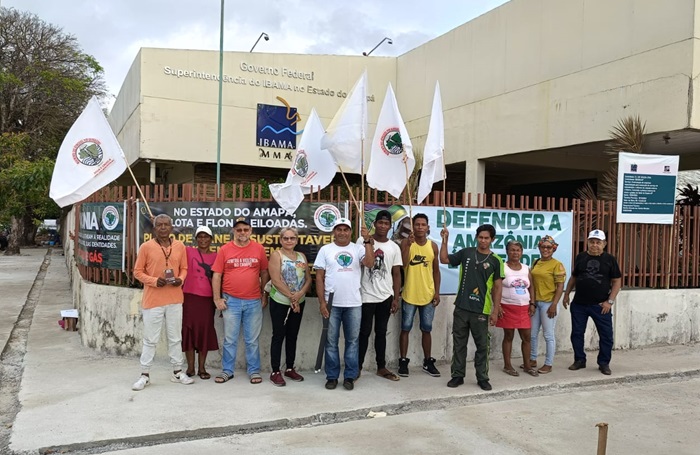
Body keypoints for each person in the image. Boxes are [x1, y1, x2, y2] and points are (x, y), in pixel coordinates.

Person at [132, 214, 194, 390]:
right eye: (160, 225)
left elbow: (184, 268)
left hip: (175, 299)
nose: (163, 228)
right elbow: (137, 272)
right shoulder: (146, 247)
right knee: (150, 339)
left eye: (167, 225)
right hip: (153, 301)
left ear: (172, 227)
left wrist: (180, 280)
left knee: (175, 338)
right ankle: (144, 375)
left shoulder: (180, 246)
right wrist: (153, 280)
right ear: (154, 228)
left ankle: (177, 371)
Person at [439, 223, 503, 390]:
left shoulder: (496, 261)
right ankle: (457, 376)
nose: (483, 240)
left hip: (481, 310)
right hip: (461, 307)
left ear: (492, 240)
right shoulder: (466, 253)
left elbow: (497, 288)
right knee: (459, 344)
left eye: (486, 238)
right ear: (476, 237)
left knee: (482, 346)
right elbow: (444, 259)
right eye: (480, 237)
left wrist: (495, 311)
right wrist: (444, 241)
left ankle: (482, 377)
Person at [314, 217, 374, 391]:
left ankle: (350, 376)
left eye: (345, 229)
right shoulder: (325, 250)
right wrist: (322, 302)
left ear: (350, 232)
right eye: (338, 229)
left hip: (354, 303)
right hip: (332, 303)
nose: (342, 232)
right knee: (330, 342)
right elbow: (319, 277)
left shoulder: (358, 248)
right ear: (334, 232)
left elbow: (369, 263)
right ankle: (332, 376)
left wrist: (368, 241)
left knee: (352, 341)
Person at [212, 216, 269, 384]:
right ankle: (227, 371)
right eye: (239, 230)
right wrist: (217, 298)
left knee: (252, 340)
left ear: (251, 231)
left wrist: (264, 294)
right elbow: (217, 275)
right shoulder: (224, 250)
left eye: (245, 229)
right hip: (231, 301)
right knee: (230, 339)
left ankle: (254, 371)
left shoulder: (258, 249)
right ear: (233, 231)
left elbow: (264, 272)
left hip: (253, 301)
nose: (242, 232)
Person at [563, 229, 621, 375]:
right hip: (579, 304)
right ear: (588, 242)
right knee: (576, 333)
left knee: (606, 335)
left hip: (601, 305)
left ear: (604, 244)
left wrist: (610, 301)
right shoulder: (580, 257)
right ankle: (579, 360)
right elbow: (574, 277)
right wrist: (566, 294)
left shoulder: (610, 259)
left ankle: (604, 363)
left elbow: (617, 282)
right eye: (592, 242)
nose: (594, 245)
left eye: (598, 242)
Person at [357, 210, 402, 382]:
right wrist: (367, 241)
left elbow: (396, 273)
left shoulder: (394, 247)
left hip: (385, 296)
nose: (383, 226)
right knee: (363, 332)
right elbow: (359, 264)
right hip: (366, 296)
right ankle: (358, 367)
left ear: (390, 226)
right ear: (374, 223)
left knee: (381, 332)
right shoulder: (362, 240)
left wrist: (396, 298)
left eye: (386, 223)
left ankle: (381, 367)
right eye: (380, 223)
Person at [265, 227, 311, 386]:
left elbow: (308, 279)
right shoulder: (276, 256)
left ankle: (290, 368)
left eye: (292, 238)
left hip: (299, 302)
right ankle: (275, 371)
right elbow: (276, 280)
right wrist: (293, 298)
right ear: (281, 240)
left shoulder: (301, 256)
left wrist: (299, 296)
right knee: (278, 335)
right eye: (286, 238)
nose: (289, 241)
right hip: (280, 302)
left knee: (293, 335)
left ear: (297, 240)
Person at [398, 213, 441, 378]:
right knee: (405, 328)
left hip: (428, 295)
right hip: (409, 294)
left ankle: (427, 362)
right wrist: (408, 246)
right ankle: (403, 361)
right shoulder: (406, 242)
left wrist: (437, 292)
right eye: (417, 225)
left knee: (426, 329)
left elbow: (436, 271)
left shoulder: (433, 246)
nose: (420, 227)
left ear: (428, 227)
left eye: (423, 225)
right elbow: (402, 264)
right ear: (413, 227)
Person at [181, 225, 219, 380]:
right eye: (200, 236)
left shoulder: (218, 256)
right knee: (188, 330)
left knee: (205, 331)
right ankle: (190, 367)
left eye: (206, 236)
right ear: (196, 239)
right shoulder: (188, 251)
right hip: (189, 297)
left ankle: (202, 368)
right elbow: (169, 241)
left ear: (211, 239)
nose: (203, 239)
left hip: (208, 299)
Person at [496, 240, 537, 377]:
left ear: (522, 252)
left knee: (527, 337)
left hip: (524, 308)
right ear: (507, 252)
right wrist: (498, 306)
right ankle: (507, 366)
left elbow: (531, 287)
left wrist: (532, 303)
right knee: (509, 336)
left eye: (518, 250)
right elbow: (495, 288)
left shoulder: (526, 268)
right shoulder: (502, 267)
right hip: (507, 307)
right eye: (512, 250)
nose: (515, 253)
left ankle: (527, 365)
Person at [528, 235, 566, 374]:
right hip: (536, 303)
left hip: (549, 303)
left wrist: (554, 304)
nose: (545, 249)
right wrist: (532, 302)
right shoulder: (536, 262)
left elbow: (560, 286)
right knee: (532, 334)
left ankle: (548, 363)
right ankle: (532, 359)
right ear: (539, 248)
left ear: (553, 249)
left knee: (548, 335)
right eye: (543, 247)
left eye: (549, 247)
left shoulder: (557, 265)